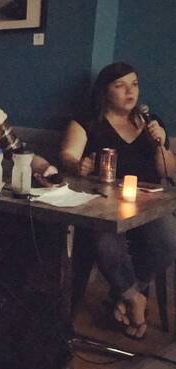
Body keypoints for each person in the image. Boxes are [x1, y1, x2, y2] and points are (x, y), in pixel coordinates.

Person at [59, 62, 176, 339]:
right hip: (102, 204)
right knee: (104, 238)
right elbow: (66, 157)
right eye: (120, 85)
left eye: (134, 84)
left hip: (146, 204)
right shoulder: (88, 121)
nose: (130, 91)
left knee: (170, 239)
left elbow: (167, 171)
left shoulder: (150, 122)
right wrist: (80, 166)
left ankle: (122, 294)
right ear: (104, 91)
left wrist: (161, 143)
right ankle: (134, 298)